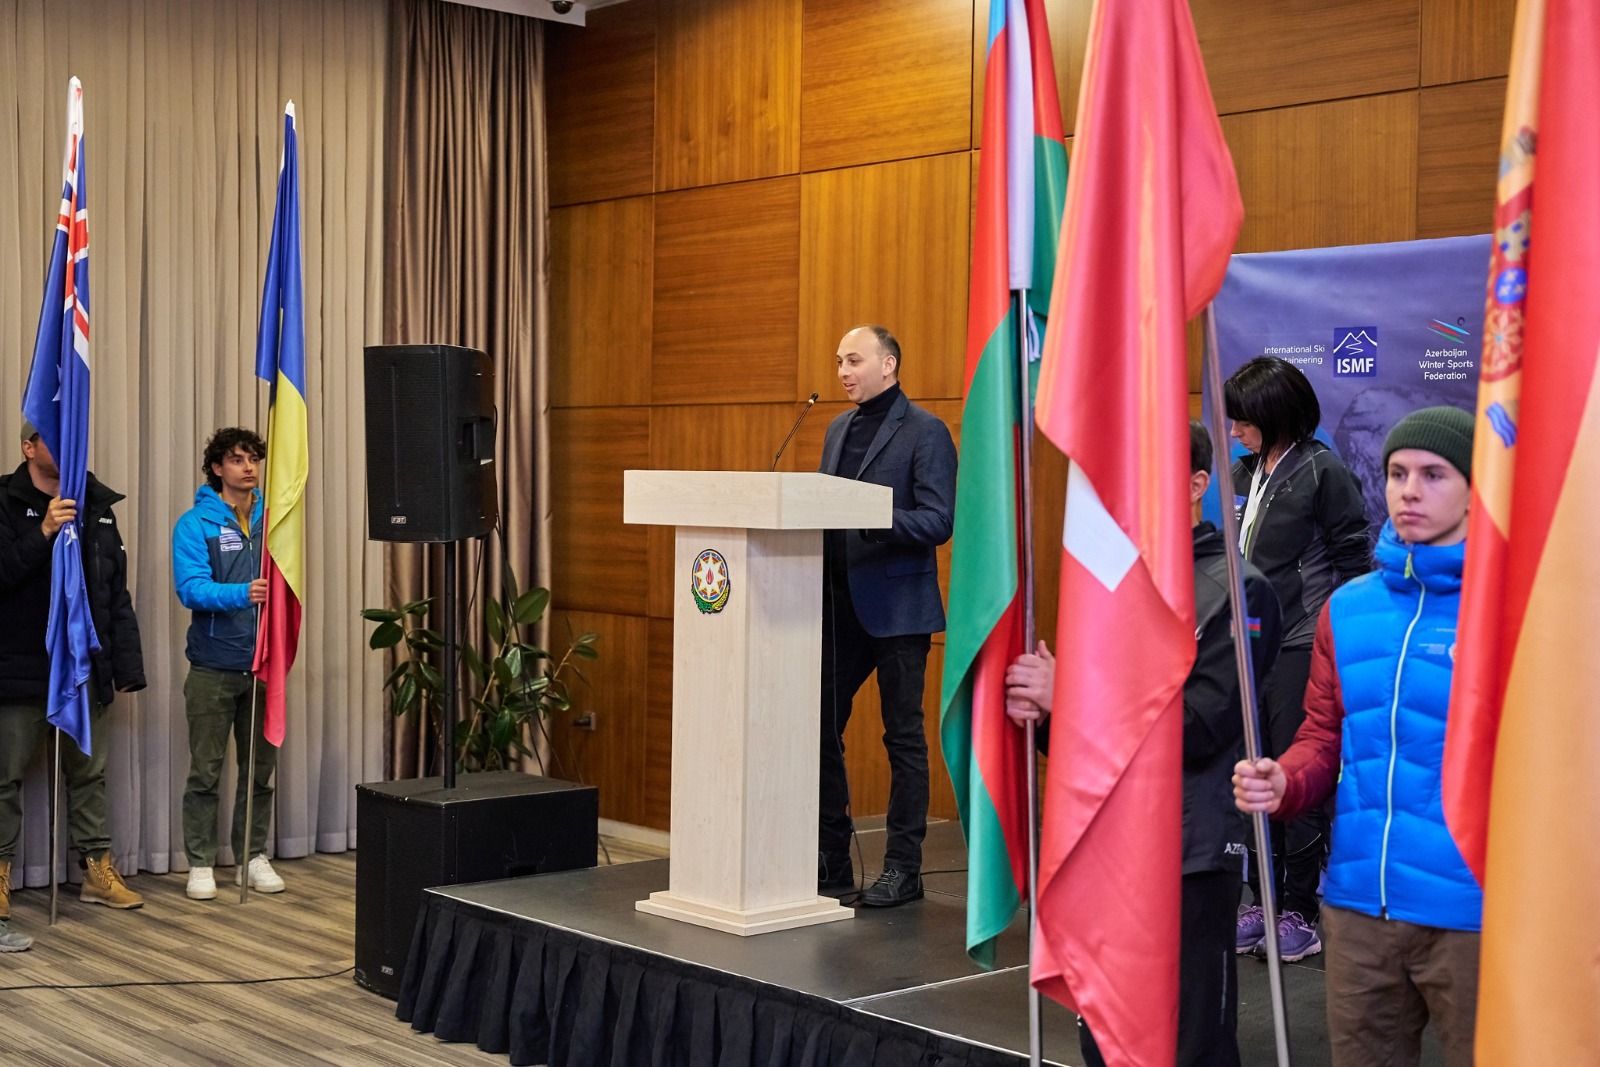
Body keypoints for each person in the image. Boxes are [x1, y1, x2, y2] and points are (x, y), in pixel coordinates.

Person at [1007, 421, 1283, 1067]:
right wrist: (1042, 714)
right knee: (1103, 1033)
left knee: (1188, 1043)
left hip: (1188, 849)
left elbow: (1197, 727)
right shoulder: (1109, 585)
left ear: (1197, 483)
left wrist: (1067, 696)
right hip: (1104, 840)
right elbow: (1094, 737)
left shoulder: (1240, 588)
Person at [1234, 406, 1481, 1066]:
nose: (1409, 489)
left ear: (1475, 488)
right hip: (1357, 909)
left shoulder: (1511, 607)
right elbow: (1323, 738)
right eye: (1398, 472)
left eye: (1434, 474)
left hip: (1475, 915)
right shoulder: (1348, 608)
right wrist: (1283, 779)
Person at [1225, 356, 1370, 960]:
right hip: (1248, 644)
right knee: (1252, 774)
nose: (1234, 431)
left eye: (1244, 421)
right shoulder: (1245, 472)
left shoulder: (1322, 471)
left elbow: (1354, 560)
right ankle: (1261, 900)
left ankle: (1301, 911)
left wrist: (1338, 642)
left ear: (1274, 414)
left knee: (1295, 774)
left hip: (1302, 643)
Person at [816, 325, 956, 907]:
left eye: (854, 360)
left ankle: (904, 866)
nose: (843, 371)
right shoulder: (834, 429)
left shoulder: (926, 432)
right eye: (839, 361)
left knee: (902, 738)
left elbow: (938, 520)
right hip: (835, 603)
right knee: (817, 727)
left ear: (889, 364)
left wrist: (873, 515)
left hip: (897, 607)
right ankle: (829, 857)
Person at [0, 421, 148, 950]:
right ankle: (0, 880)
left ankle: (95, 869)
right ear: (28, 447)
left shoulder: (98, 506)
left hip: (85, 666)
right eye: (52, 438)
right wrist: (42, 533)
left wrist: (126, 665)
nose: (65, 448)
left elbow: (114, 593)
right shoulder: (4, 500)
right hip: (20, 667)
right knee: (5, 777)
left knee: (90, 773)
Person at [172, 427, 285, 900]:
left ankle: (251, 855)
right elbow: (190, 588)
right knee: (206, 771)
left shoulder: (276, 521)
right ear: (217, 468)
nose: (249, 467)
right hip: (213, 668)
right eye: (237, 459)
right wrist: (243, 593)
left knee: (259, 770)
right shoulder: (195, 524)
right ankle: (200, 862)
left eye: (254, 459)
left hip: (264, 667)